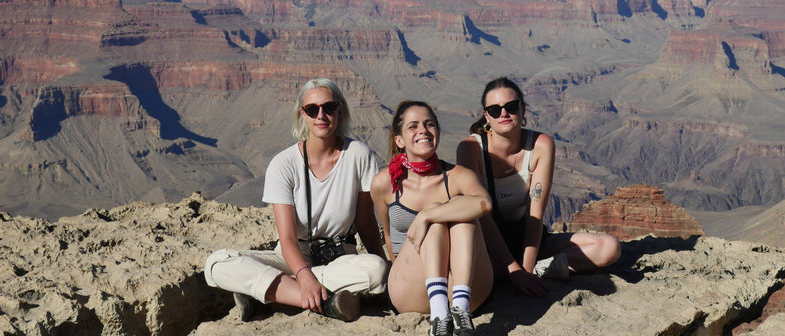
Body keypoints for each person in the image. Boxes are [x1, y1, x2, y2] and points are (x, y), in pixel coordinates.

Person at [204, 78, 388, 322]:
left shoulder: (359, 155)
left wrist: (386, 271)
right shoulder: (284, 164)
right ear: (302, 115)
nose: (321, 115)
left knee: (376, 270)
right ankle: (326, 302)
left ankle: (272, 294)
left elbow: (365, 223)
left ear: (339, 110)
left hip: (341, 257)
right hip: (292, 258)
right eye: (312, 109)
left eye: (329, 107)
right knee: (217, 263)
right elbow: (288, 238)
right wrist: (304, 277)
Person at [456, 77, 621, 297]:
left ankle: (538, 270)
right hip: (486, 246)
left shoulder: (541, 145)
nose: (504, 113)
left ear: (523, 109)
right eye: (495, 110)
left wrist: (526, 269)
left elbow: (535, 216)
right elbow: (482, 219)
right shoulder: (470, 150)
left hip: (527, 241)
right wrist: (513, 269)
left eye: (511, 107)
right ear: (486, 116)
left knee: (609, 248)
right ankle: (507, 271)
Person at [371, 100, 494, 336]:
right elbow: (389, 236)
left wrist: (426, 215)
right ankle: (439, 315)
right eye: (413, 126)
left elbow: (484, 203)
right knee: (438, 220)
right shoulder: (384, 183)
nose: (423, 131)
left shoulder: (458, 176)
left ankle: (459, 309)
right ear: (399, 140)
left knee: (459, 214)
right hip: (412, 287)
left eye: (429, 124)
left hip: (463, 284)